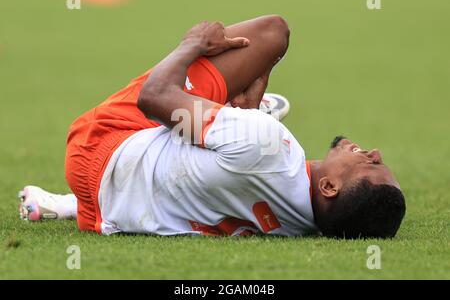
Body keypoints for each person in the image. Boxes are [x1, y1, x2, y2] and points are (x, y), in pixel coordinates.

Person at [18, 15, 406, 239]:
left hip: (99, 142)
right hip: (107, 207)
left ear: (329, 187)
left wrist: (193, 43)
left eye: (370, 165)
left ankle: (225, 114)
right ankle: (63, 204)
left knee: (272, 35)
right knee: (220, 161)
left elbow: (153, 96)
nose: (375, 153)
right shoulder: (305, 225)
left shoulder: (266, 143)